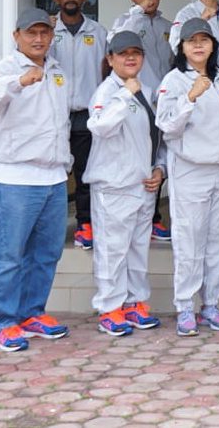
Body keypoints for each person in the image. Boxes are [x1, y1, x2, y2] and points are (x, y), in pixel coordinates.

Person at [0, 7, 72, 352]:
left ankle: (32, 314)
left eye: (44, 33)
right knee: (9, 255)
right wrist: (18, 81)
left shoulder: (57, 70)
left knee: (46, 254)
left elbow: (60, 122)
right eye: (31, 33)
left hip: (53, 178)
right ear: (17, 36)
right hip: (15, 178)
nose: (38, 39)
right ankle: (3, 323)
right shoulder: (6, 68)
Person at [156, 18, 219, 336]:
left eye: (204, 40)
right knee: (189, 239)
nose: (198, 45)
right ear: (181, 46)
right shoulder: (175, 80)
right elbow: (167, 125)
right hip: (192, 169)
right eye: (191, 40)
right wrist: (190, 98)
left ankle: (211, 305)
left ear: (213, 45)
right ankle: (185, 306)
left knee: (218, 241)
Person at [84, 31, 166, 336]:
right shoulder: (107, 92)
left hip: (143, 184)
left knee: (137, 250)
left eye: (136, 52)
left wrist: (159, 168)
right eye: (122, 53)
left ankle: (134, 303)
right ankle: (109, 308)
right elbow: (100, 126)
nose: (130, 58)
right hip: (114, 185)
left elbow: (154, 136)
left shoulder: (145, 89)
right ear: (110, 59)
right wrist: (125, 95)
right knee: (112, 250)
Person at [107, 0, 174, 242]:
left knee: (161, 157)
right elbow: (115, 43)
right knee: (139, 156)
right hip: (136, 99)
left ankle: (153, 216)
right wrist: (137, 13)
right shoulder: (125, 22)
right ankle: (138, 216)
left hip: (164, 102)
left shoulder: (169, 26)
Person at [48, 0, 108, 251]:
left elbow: (107, 71)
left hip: (86, 113)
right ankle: (52, 228)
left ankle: (86, 224)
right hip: (55, 115)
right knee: (55, 172)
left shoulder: (98, 32)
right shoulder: (48, 32)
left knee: (86, 173)